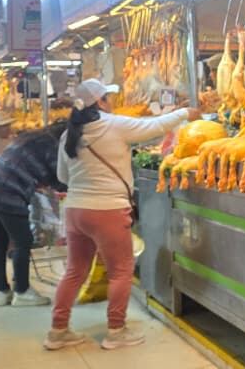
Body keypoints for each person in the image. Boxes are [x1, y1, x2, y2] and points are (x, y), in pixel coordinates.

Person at [44, 79, 200, 351]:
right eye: (107, 97)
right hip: (107, 209)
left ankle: (58, 330)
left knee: (75, 271)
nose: (112, 101)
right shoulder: (113, 125)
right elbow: (154, 126)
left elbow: (61, 176)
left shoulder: (69, 135)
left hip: (76, 210)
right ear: (100, 102)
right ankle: (116, 331)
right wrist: (186, 113)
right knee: (121, 271)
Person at [0, 122, 66, 308]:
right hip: (8, 193)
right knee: (23, 242)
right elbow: (59, 179)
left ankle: (2, 292)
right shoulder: (52, 147)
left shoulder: (27, 139)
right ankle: (22, 291)